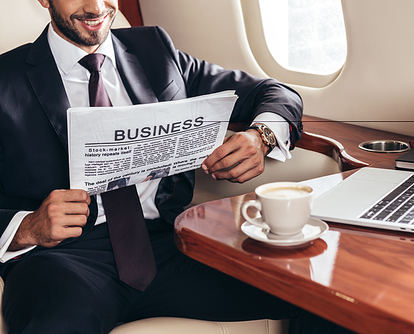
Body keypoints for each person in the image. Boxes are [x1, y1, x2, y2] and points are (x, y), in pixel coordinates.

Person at [0, 0, 352, 333]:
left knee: (325, 293)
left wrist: (261, 138)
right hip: (64, 258)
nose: (95, 7)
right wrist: (27, 227)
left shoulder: (155, 49)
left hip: (173, 243)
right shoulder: (5, 78)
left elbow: (276, 92)